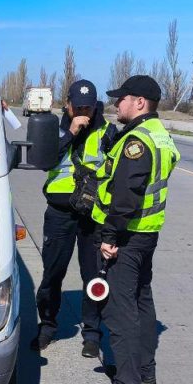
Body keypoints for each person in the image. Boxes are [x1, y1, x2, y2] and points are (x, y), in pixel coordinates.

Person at [85, 75, 180, 384]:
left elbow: (126, 194)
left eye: (122, 99)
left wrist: (110, 237)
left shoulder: (137, 141)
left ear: (140, 102)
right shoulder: (160, 135)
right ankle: (144, 368)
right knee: (142, 300)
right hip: (146, 233)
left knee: (119, 311)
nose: (116, 105)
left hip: (125, 236)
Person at [32, 79, 115, 353]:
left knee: (93, 276)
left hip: (92, 215)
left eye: (88, 108)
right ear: (67, 105)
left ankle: (92, 334)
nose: (83, 112)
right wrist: (69, 133)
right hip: (59, 213)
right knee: (53, 272)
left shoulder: (108, 132)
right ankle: (47, 326)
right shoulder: (52, 129)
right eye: (77, 107)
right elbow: (44, 161)